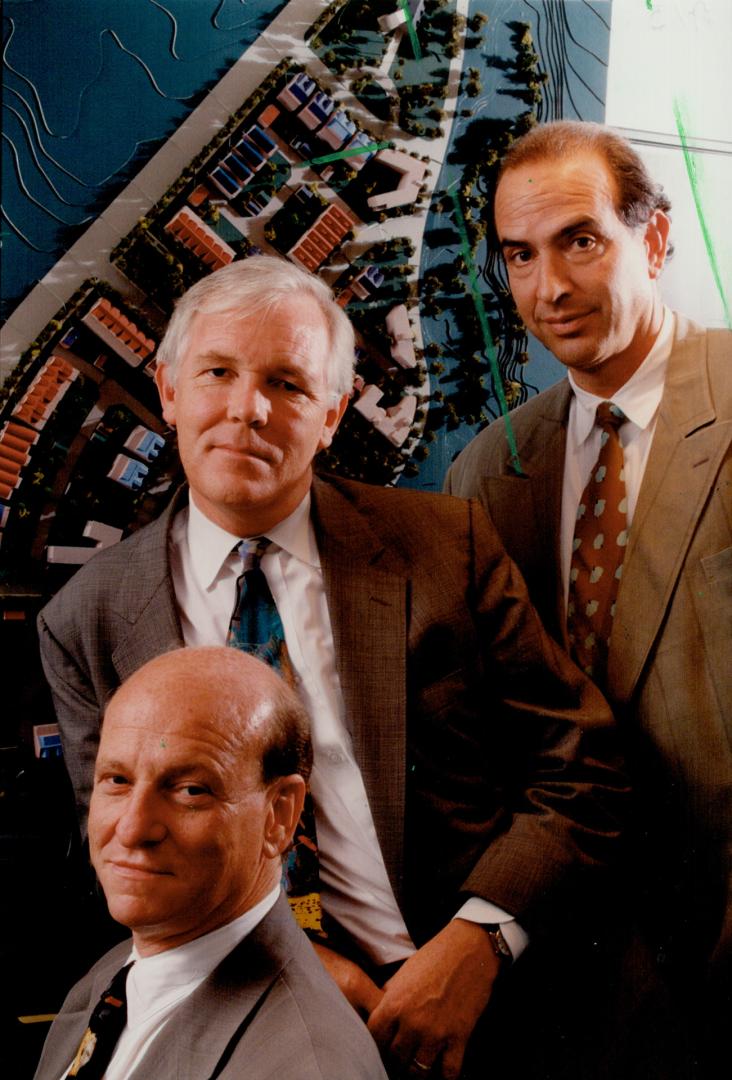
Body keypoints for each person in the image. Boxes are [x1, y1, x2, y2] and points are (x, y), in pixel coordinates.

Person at [39, 254, 628, 1080]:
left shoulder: (444, 549)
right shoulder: (89, 619)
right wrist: (297, 962)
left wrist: (479, 943)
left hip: (482, 1005)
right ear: (169, 391)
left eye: (287, 383)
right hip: (245, 1022)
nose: (248, 410)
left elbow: (583, 769)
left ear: (332, 412)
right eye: (218, 373)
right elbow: (128, 856)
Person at [446, 120, 731, 1076]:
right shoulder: (489, 471)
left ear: (652, 240)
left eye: (579, 240)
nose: (549, 289)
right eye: (519, 256)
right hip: (577, 976)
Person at [33, 646, 388, 1080]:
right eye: (117, 780)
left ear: (279, 816)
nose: (131, 828)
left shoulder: (310, 1067)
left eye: (190, 790)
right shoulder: (110, 978)